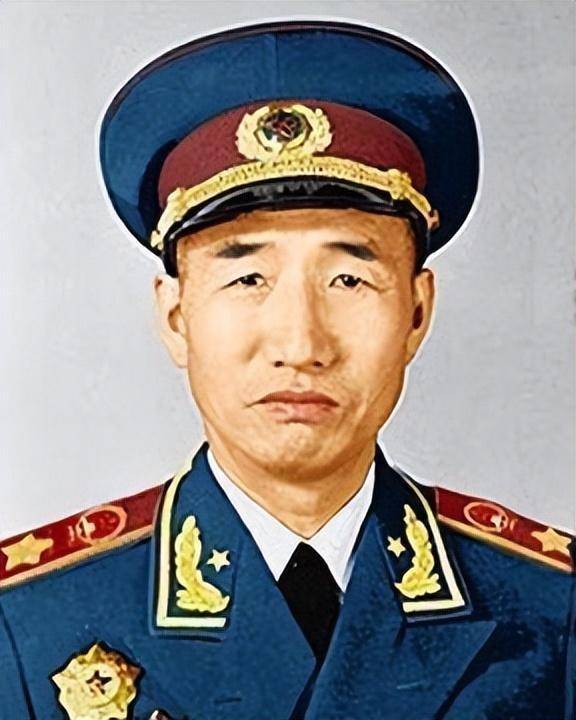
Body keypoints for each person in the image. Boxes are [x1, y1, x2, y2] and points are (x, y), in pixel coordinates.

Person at [0, 20, 573, 720]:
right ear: (176, 318)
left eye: (348, 280)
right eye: (247, 279)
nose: (301, 343)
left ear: (417, 314)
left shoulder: (552, 609)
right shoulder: (26, 625)